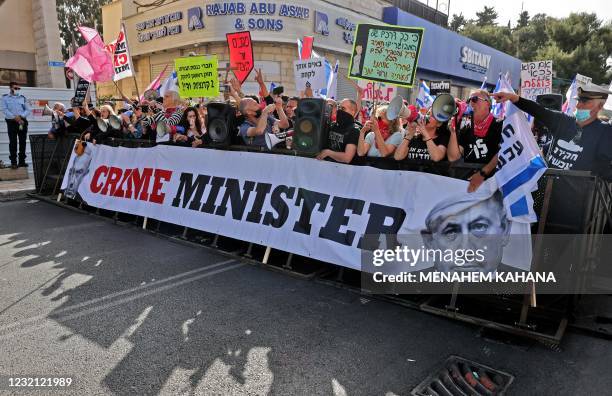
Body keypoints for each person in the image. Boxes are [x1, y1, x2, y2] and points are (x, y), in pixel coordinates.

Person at [492, 82, 612, 177]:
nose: (578, 105)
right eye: (578, 100)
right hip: (546, 194)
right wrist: (513, 98)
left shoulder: (604, 131)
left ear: (600, 106)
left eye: (584, 102)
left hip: (575, 203)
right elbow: (538, 111)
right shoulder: (563, 121)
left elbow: (605, 168)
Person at [420, 191, 512, 273]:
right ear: (429, 242)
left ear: (504, 231)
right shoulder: (407, 287)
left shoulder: (525, 286)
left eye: (479, 227)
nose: (466, 251)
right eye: (450, 232)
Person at [447, 89, 502, 192]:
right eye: (469, 100)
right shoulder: (465, 125)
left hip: (490, 183)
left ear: (487, 104)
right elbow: (453, 157)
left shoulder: (500, 124)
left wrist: (482, 173)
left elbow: (502, 152)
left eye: (474, 99)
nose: (470, 103)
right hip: (466, 182)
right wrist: (453, 130)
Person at [315, 99, 360, 164]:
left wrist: (328, 153)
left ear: (352, 112)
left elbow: (347, 158)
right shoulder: (332, 125)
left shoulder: (354, 130)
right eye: (339, 107)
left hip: (340, 171)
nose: (339, 110)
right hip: (323, 166)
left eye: (343, 108)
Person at [1, 81, 31, 168]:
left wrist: (21, 117)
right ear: (10, 88)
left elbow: (28, 110)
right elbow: (4, 110)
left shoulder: (22, 98)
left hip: (22, 122)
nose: (17, 90)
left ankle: (22, 161)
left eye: (19, 88)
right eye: (15, 88)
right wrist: (15, 118)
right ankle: (13, 162)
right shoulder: (5, 98)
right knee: (13, 142)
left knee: (22, 142)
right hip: (11, 122)